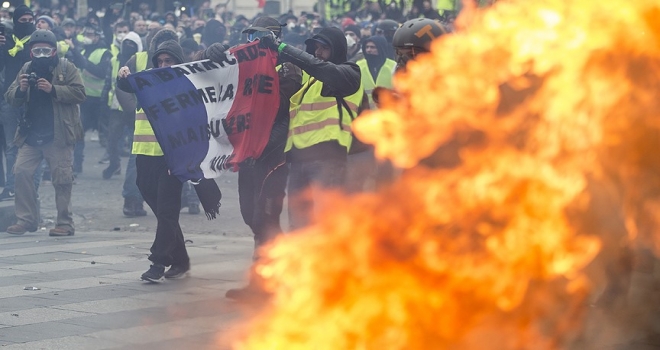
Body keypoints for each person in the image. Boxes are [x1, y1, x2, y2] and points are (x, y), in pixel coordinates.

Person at [218, 16, 303, 300]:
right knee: (250, 215)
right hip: (248, 155)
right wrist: (213, 54)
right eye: (249, 36)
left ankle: (268, 281)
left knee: (265, 217)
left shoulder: (287, 68)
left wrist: (263, 147)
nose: (251, 41)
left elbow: (286, 118)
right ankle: (273, 273)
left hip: (272, 159)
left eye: (257, 36)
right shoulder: (246, 66)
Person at [260, 26, 362, 230]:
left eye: (324, 48)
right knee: (298, 224)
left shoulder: (349, 73)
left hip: (328, 159)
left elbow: (318, 67)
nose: (318, 52)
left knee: (327, 223)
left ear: (337, 49)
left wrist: (281, 46)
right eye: (316, 48)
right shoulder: (309, 81)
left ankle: (333, 261)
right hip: (299, 161)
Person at [117, 38, 190, 282]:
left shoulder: (185, 85)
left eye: (168, 60)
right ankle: (181, 259)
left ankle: (158, 262)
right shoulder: (147, 78)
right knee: (162, 212)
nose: (163, 64)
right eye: (159, 60)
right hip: (145, 153)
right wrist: (122, 76)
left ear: (178, 62)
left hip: (171, 158)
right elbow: (128, 86)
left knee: (168, 212)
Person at [4, 29, 85, 236]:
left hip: (59, 134)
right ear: (31, 52)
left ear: (54, 51)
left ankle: (65, 223)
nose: (41, 55)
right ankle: (26, 220)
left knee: (62, 178)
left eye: (46, 51)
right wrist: (21, 89)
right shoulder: (26, 68)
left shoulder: (67, 68)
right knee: (21, 171)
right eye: (37, 50)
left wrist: (54, 89)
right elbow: (10, 97)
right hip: (31, 134)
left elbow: (80, 93)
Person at [115, 29, 178, 217]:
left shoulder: (180, 66)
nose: (163, 62)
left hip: (171, 130)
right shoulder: (137, 59)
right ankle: (132, 199)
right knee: (138, 165)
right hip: (146, 128)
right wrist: (134, 110)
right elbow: (123, 86)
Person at [0, 5, 37, 202]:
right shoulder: (7, 42)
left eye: (30, 20)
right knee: (12, 145)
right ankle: (10, 187)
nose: (27, 24)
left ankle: (31, 190)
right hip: (11, 97)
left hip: (35, 97)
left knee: (35, 145)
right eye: (22, 21)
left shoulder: (39, 40)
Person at [73, 24, 111, 175]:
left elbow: (101, 73)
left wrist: (82, 60)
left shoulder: (104, 52)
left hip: (100, 101)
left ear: (97, 37)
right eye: (86, 34)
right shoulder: (82, 51)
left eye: (91, 34)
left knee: (109, 134)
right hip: (85, 100)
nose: (88, 37)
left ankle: (114, 163)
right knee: (79, 133)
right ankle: (77, 165)